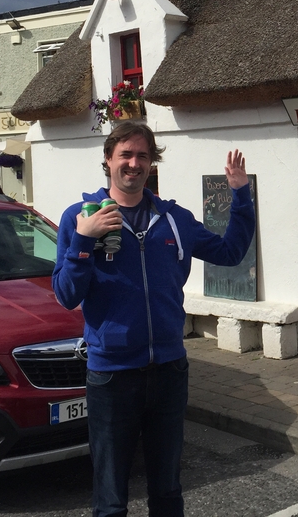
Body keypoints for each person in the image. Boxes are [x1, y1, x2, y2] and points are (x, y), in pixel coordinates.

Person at [52, 121, 255, 517]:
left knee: (167, 490)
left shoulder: (174, 218)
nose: (134, 163)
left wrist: (240, 195)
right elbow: (65, 294)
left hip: (168, 370)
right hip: (111, 375)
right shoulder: (80, 216)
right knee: (110, 497)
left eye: (142, 155)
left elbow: (230, 252)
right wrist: (83, 239)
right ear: (108, 160)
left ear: (152, 163)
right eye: (125, 154)